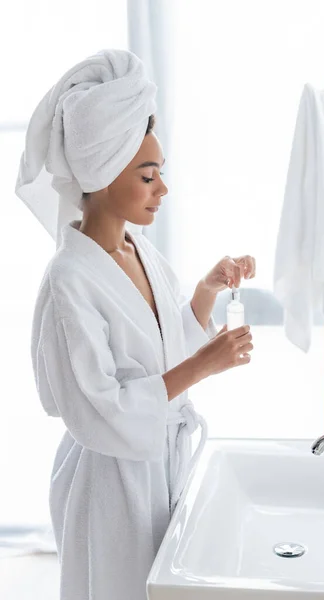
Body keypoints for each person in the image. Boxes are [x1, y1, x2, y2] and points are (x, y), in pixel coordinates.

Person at [15, 49, 255, 600]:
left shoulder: (137, 249)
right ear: (101, 176)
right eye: (148, 176)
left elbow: (162, 345)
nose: (162, 189)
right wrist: (202, 366)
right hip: (111, 488)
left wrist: (204, 293)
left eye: (160, 173)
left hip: (159, 468)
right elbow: (97, 407)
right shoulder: (67, 282)